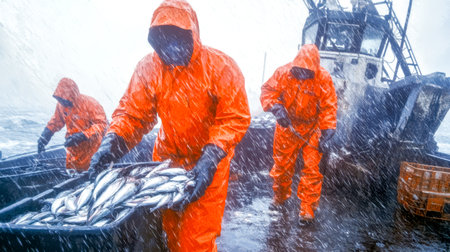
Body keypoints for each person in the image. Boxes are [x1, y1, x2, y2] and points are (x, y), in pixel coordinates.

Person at [88, 0, 251, 250]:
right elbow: (133, 114)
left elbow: (234, 117)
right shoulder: (148, 68)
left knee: (195, 241)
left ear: (193, 35)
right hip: (166, 162)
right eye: (164, 40)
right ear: (155, 41)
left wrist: (211, 157)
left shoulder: (221, 67)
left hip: (207, 162)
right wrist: (113, 143)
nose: (172, 47)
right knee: (172, 234)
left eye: (179, 38)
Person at [260, 44, 337, 222]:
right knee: (282, 166)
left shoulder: (323, 78)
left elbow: (329, 107)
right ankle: (280, 198)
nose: (302, 75)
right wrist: (276, 108)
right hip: (288, 126)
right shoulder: (283, 73)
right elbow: (267, 91)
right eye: (300, 70)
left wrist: (328, 130)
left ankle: (307, 209)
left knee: (312, 169)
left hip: (312, 128)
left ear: (314, 68)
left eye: (307, 71)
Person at [37, 77, 108, 171]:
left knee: (90, 170)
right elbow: (56, 121)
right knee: (73, 171)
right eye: (60, 100)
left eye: (64, 100)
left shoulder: (91, 103)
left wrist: (82, 136)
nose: (62, 103)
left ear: (71, 96)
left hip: (92, 147)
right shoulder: (61, 105)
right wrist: (45, 136)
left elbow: (102, 125)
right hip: (73, 149)